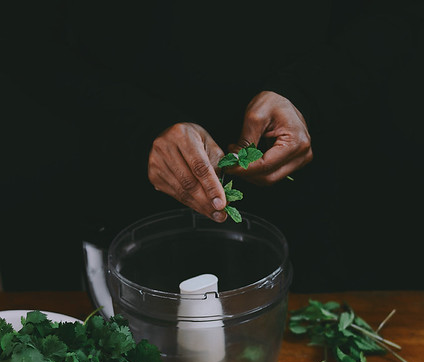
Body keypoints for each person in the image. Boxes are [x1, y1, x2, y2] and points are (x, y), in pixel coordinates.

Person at [1, 1, 422, 292]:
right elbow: (25, 35)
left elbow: (397, 12)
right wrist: (141, 128)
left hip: (315, 194)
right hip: (107, 183)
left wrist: (309, 94)